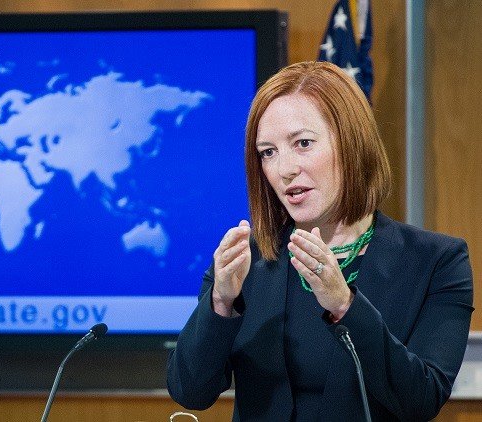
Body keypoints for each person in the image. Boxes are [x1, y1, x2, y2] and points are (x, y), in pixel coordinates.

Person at [166, 61, 474, 421]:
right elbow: (191, 391)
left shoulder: (437, 261)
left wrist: (345, 305)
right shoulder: (246, 261)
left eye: (303, 144)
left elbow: (421, 399)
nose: (285, 169)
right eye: (268, 152)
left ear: (351, 143)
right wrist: (220, 302)